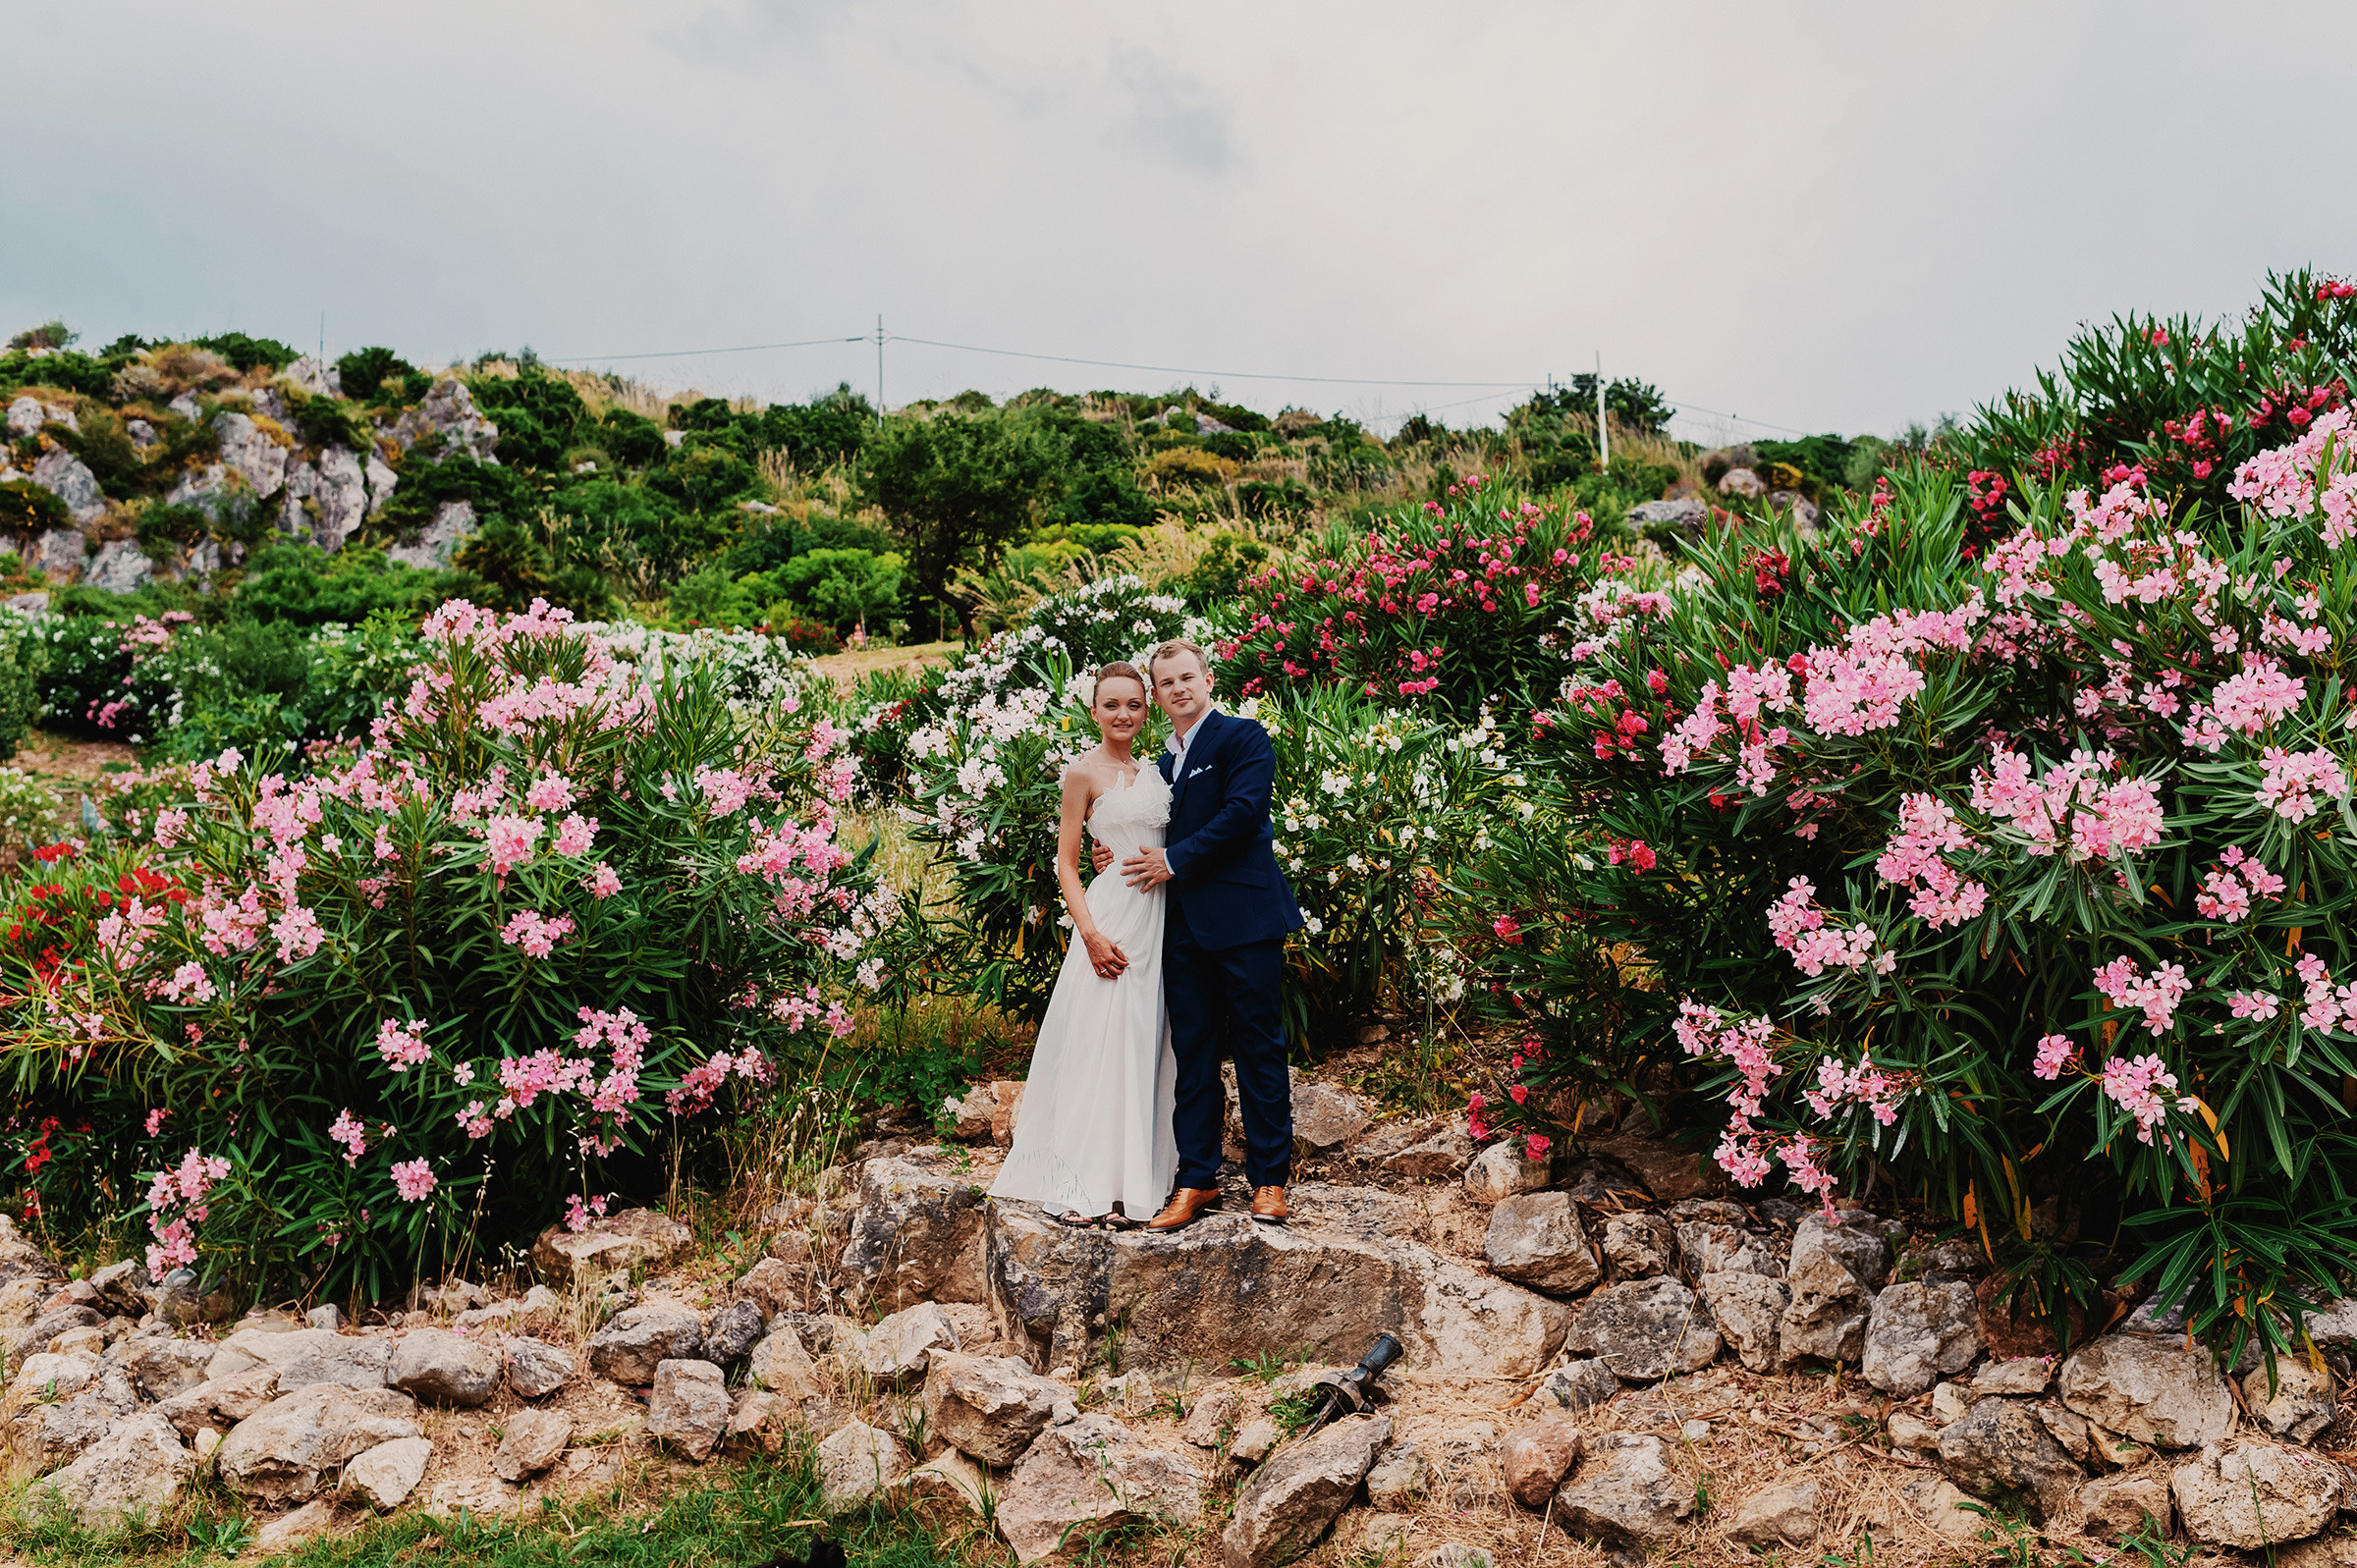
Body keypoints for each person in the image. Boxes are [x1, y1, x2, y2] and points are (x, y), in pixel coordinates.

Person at [1107, 638, 1304, 1230]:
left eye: (1187, 678)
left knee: (1258, 1050)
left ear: (1208, 679)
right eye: (1166, 684)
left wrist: (1172, 860)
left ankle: (1269, 1181)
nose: (1178, 690)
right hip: (1181, 929)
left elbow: (1243, 814)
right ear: (1157, 694)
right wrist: (1117, 854)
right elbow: (1151, 832)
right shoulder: (1160, 764)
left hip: (1245, 921)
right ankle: (1196, 1180)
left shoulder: (1244, 738)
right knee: (1191, 1056)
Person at [989, 662, 1178, 1226]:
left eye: (1134, 705)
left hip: (1159, 919)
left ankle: (1138, 1181)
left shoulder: (1157, 771)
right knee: (1100, 1043)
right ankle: (1085, 1183)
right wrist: (1090, 933)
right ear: (1093, 711)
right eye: (1112, 704)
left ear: (1147, 712)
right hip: (1111, 917)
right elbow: (1066, 863)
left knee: (1145, 1040)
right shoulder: (1082, 772)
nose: (1123, 714)